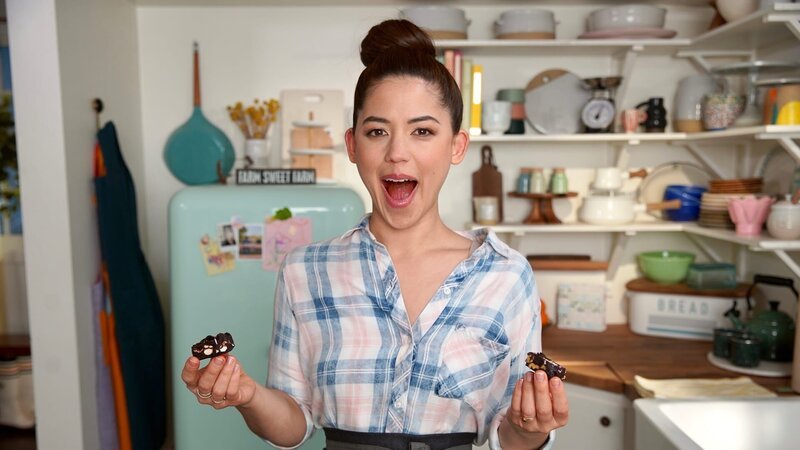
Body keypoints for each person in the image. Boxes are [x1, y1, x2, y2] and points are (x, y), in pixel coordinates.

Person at [181, 18, 568, 450]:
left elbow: (509, 437)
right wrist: (248, 397)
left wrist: (531, 430)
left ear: (456, 146)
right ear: (352, 145)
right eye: (377, 131)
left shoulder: (506, 276)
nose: (397, 153)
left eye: (422, 131)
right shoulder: (304, 271)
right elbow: (292, 425)